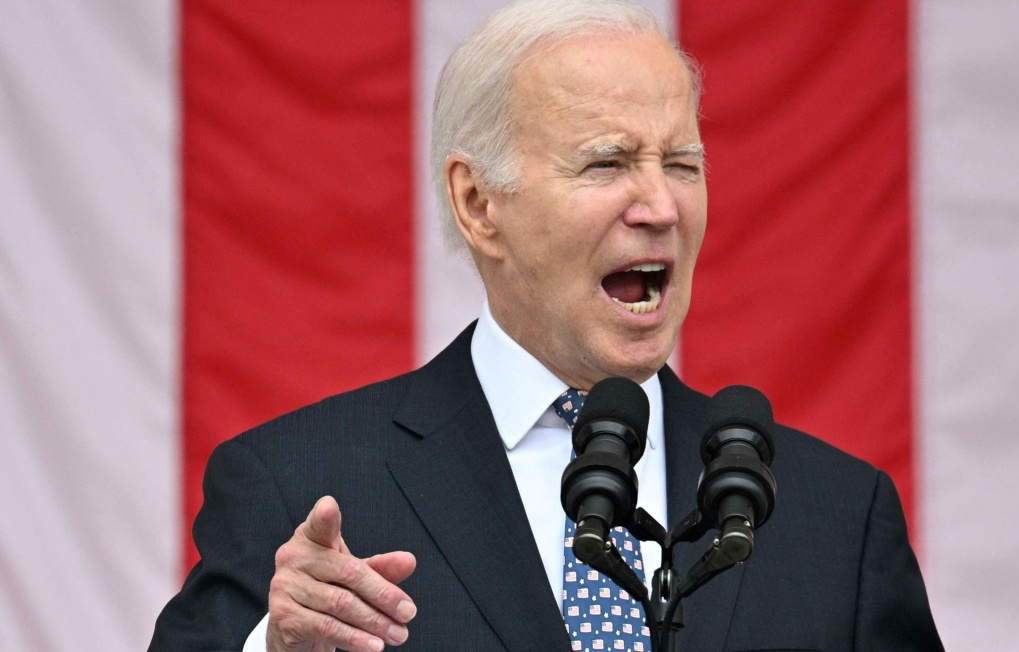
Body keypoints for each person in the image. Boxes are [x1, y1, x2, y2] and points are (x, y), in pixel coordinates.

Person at [149, 1, 943, 651]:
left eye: (681, 163)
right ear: (478, 204)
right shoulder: (304, 491)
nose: (661, 207)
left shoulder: (837, 518)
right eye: (607, 163)